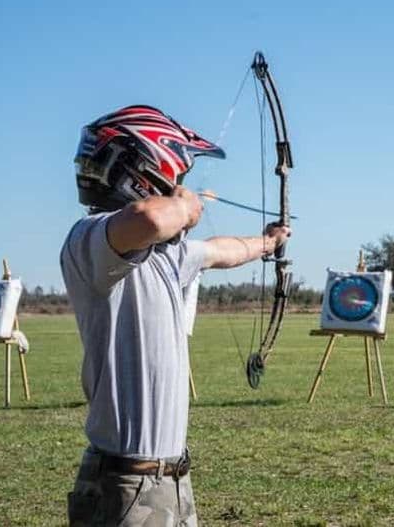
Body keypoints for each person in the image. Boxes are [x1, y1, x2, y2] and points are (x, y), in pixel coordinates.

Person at [61, 105, 290, 526]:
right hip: (125, 484)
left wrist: (267, 243)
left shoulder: (164, 256)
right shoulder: (90, 240)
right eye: (175, 178)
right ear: (145, 171)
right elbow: (149, 217)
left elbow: (221, 251)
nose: (178, 187)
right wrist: (185, 206)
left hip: (169, 479)